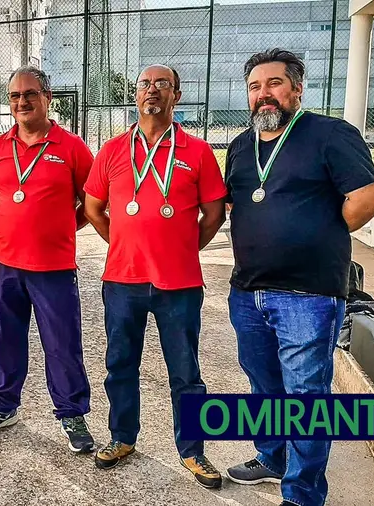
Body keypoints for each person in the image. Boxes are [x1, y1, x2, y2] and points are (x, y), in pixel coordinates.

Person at [223, 49, 374, 506]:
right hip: (248, 291)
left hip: (308, 296)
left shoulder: (330, 134)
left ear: (296, 88)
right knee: (263, 384)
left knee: (306, 397)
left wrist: (322, 230)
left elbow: (369, 197)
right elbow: (239, 205)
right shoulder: (240, 146)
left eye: (274, 84)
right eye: (255, 87)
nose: (263, 95)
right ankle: (272, 458)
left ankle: (302, 493)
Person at [84, 65, 227, 487]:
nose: (152, 90)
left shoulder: (197, 151)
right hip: (122, 280)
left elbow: (214, 214)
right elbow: (93, 208)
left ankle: (193, 451)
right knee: (120, 363)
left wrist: (180, 249)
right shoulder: (111, 150)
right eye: (145, 84)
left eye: (162, 84)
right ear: (135, 94)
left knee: (185, 371)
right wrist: (124, 244)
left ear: (176, 95)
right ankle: (122, 437)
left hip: (178, 284)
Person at [0, 65, 95, 453]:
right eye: (14, 96)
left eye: (30, 94)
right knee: (6, 339)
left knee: (62, 343)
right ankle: (3, 406)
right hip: (4, 263)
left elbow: (89, 205)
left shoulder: (72, 147)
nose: (21, 102)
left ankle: (71, 413)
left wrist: (57, 230)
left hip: (53, 267)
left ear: (47, 98)